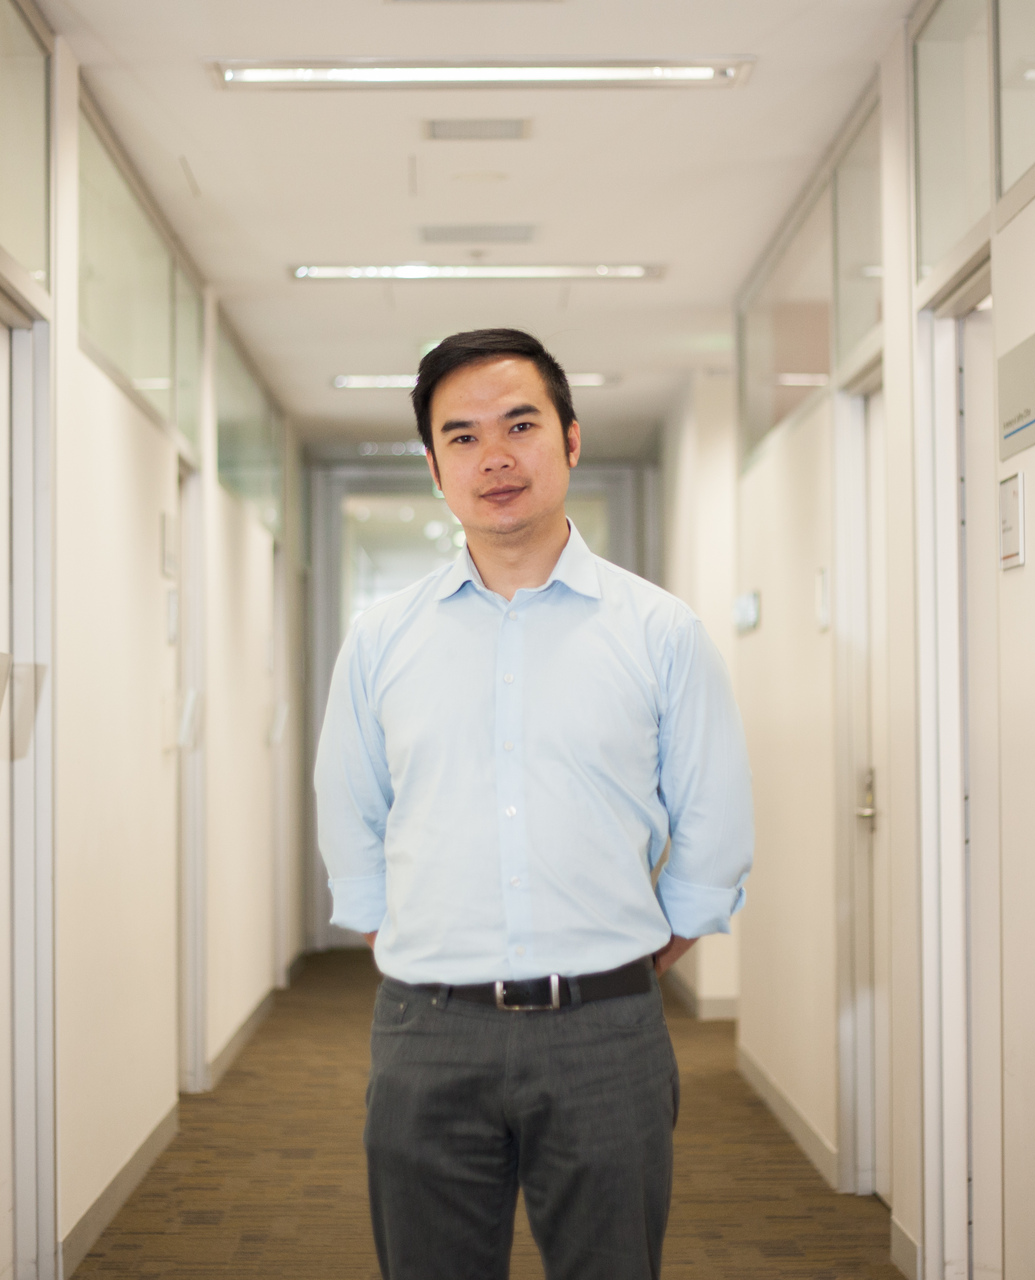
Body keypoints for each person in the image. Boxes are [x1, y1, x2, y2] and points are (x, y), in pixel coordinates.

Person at [314, 328, 754, 1280]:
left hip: (607, 1030)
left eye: (521, 424)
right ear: (435, 467)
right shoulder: (383, 638)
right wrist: (394, 938)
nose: (496, 456)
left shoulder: (659, 632)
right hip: (426, 1029)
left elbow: (714, 819)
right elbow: (351, 807)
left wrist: (655, 941)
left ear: (571, 439)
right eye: (463, 437)